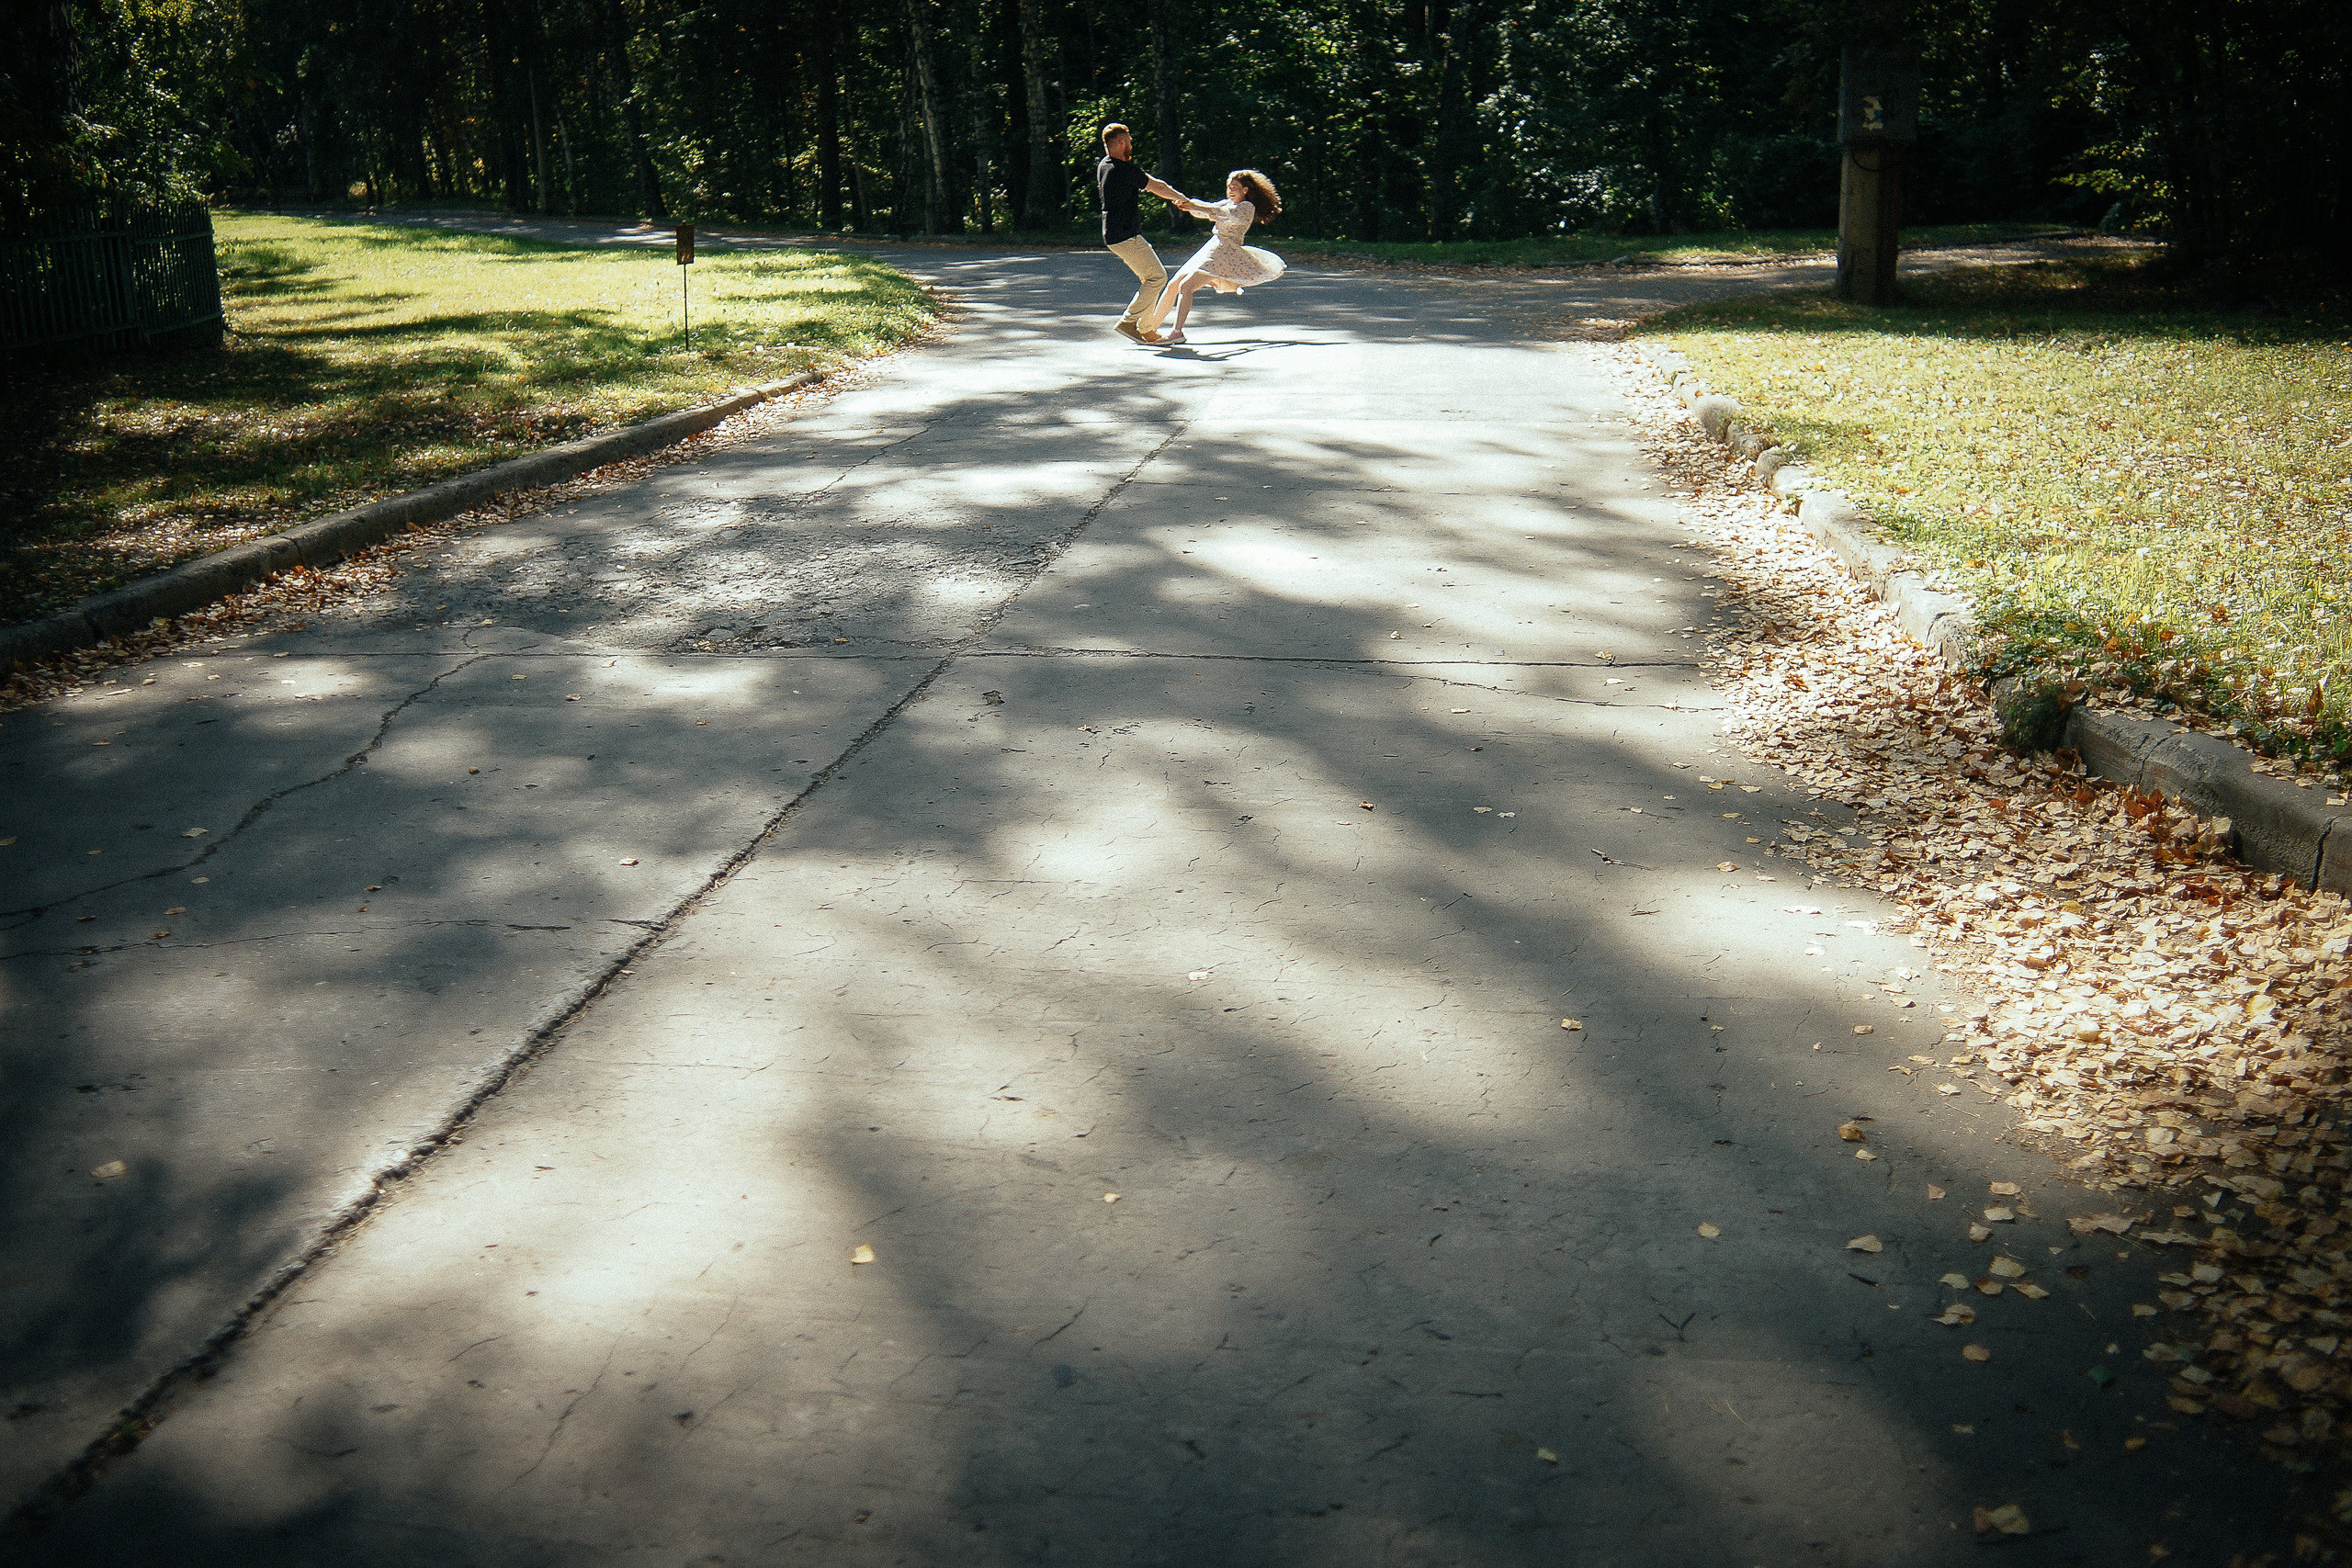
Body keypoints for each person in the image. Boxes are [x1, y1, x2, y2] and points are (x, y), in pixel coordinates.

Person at [1136, 170, 1286, 345]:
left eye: (1235, 187)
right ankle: (1149, 329)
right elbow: (1206, 209)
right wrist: (1187, 203)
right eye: (1228, 187)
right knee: (1173, 285)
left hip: (1225, 253)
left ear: (1245, 190)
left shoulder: (1246, 207)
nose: (1230, 191)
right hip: (1212, 246)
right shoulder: (1227, 203)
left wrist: (1194, 206)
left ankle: (1177, 332)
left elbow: (1220, 213)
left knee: (1186, 286)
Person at [1096, 123, 1184, 344]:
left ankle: (1145, 329)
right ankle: (1129, 322)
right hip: (1126, 235)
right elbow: (1158, 186)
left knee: (1151, 279)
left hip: (1115, 234)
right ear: (1121, 143)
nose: (1131, 146)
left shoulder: (1104, 165)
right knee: (1157, 277)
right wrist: (1182, 199)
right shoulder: (1124, 170)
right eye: (1129, 141)